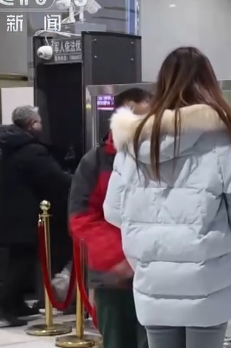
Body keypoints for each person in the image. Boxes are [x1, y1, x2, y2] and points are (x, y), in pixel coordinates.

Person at [103, 47, 231, 348]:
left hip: (153, 281)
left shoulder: (134, 142)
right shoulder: (222, 140)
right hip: (208, 282)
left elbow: (113, 212)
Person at [69, 87, 152, 348]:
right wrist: (121, 258)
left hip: (156, 277)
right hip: (114, 279)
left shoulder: (163, 159)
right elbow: (82, 219)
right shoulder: (95, 162)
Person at [0, 105, 73, 326]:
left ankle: (16, 303)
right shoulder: (32, 151)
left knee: (17, 259)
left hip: (10, 213)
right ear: (31, 125)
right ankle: (5, 306)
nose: (41, 125)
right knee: (23, 261)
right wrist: (80, 178)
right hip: (26, 215)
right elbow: (54, 178)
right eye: (39, 122)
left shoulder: (10, 146)